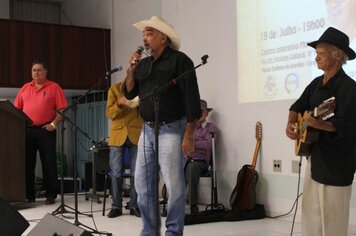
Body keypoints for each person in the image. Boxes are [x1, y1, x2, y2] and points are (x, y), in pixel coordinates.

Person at [123, 16, 201, 236]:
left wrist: (189, 134)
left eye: (149, 33)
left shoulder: (180, 61)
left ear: (163, 37)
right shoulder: (144, 65)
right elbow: (130, 92)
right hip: (147, 130)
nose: (144, 38)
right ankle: (149, 231)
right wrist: (131, 69)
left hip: (172, 129)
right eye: (144, 34)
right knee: (142, 185)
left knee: (174, 186)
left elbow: (191, 99)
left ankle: (173, 232)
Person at [286, 27, 356, 236]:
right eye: (316, 54)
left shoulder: (349, 88)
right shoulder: (315, 84)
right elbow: (296, 107)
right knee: (311, 216)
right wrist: (291, 124)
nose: (316, 58)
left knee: (333, 220)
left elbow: (348, 125)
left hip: (337, 164)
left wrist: (322, 125)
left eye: (321, 54)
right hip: (315, 159)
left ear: (337, 56)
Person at [14, 60, 68, 205]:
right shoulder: (25, 88)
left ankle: (51, 194)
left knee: (49, 163)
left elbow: (63, 109)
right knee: (27, 164)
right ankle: (28, 195)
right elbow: (16, 109)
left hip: (46, 130)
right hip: (28, 130)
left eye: (39, 70)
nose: (36, 73)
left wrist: (53, 124)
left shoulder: (54, 87)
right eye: (33, 70)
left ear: (45, 72)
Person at [105, 80, 143, 218]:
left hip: (137, 133)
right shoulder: (115, 89)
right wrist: (120, 104)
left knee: (136, 173)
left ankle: (134, 205)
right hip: (117, 134)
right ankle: (116, 206)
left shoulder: (142, 88)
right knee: (116, 172)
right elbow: (109, 113)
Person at [185, 99, 218, 214]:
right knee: (175, 167)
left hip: (201, 162)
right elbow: (182, 144)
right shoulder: (189, 128)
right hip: (186, 160)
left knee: (192, 168)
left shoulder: (211, 128)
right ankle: (174, 205)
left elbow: (207, 145)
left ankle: (193, 205)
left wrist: (191, 144)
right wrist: (194, 144)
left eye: (199, 112)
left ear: (205, 113)